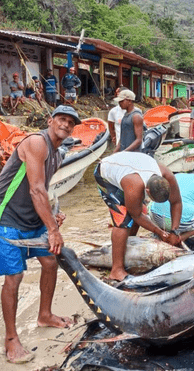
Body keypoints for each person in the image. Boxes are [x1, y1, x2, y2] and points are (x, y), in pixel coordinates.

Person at [0, 105, 80, 363]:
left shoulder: (56, 154)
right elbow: (35, 190)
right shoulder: (37, 142)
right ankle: (11, 339)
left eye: (71, 122)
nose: (66, 125)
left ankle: (44, 314)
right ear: (50, 120)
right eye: (62, 119)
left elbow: (44, 190)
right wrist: (53, 230)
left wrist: (53, 214)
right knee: (14, 276)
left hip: (32, 219)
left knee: (50, 261)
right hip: (8, 217)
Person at [94, 151, 182, 281]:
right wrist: (159, 232)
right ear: (147, 191)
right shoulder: (135, 184)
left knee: (140, 209)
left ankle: (127, 245)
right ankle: (116, 270)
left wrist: (175, 231)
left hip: (129, 168)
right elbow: (136, 215)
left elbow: (176, 202)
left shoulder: (167, 175)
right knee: (123, 220)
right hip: (105, 175)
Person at [148, 164, 194, 240]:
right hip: (178, 224)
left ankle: (161, 232)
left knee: (152, 203)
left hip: (156, 217)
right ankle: (180, 238)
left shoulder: (177, 175)